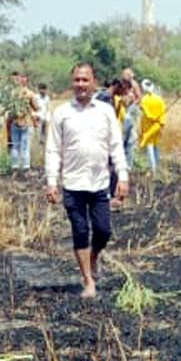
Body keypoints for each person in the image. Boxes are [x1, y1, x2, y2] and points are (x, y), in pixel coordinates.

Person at [44, 63, 129, 299]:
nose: (81, 85)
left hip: (100, 182)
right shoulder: (62, 113)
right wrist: (51, 181)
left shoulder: (105, 111)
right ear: (72, 82)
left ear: (94, 82)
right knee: (80, 231)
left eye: (85, 80)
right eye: (77, 80)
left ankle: (93, 257)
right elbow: (53, 150)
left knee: (103, 231)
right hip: (72, 184)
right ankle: (88, 280)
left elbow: (116, 146)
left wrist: (123, 176)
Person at [3, 70, 38, 174]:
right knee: (25, 147)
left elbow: (8, 110)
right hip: (26, 123)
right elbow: (36, 108)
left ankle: (15, 168)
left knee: (15, 146)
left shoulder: (12, 93)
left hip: (14, 122)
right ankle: (26, 169)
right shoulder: (30, 93)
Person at [138, 79, 167, 174]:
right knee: (156, 147)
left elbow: (147, 115)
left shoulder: (144, 100)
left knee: (150, 148)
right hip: (157, 127)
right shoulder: (160, 99)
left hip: (148, 128)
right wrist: (161, 124)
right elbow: (163, 114)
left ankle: (153, 170)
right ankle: (158, 168)